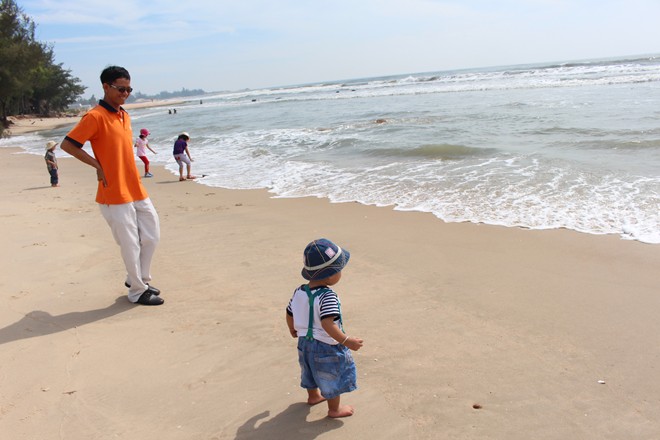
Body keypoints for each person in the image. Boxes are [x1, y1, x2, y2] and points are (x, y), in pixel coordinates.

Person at [60, 65, 164, 306]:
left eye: (129, 89)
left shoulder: (124, 115)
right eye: (120, 89)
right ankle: (137, 291)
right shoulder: (95, 116)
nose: (125, 94)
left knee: (151, 235)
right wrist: (97, 165)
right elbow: (68, 145)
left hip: (135, 187)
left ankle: (137, 279)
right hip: (113, 192)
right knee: (129, 242)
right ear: (106, 87)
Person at [285, 238, 364, 418]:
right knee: (331, 375)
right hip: (325, 346)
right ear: (330, 275)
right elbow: (327, 324)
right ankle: (334, 409)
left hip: (304, 342)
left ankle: (313, 396)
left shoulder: (299, 291)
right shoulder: (328, 296)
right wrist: (346, 340)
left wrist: (292, 329)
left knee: (309, 369)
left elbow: (289, 312)